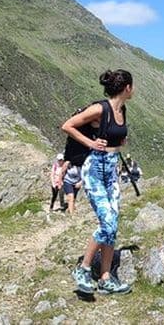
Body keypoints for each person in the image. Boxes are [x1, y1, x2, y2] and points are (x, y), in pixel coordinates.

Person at [61, 69, 134, 295]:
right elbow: (68, 125)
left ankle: (105, 278)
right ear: (127, 88)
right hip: (94, 169)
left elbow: (116, 137)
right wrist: (90, 143)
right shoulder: (100, 108)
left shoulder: (122, 109)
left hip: (111, 169)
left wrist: (119, 141)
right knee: (108, 222)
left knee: (113, 224)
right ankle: (83, 268)